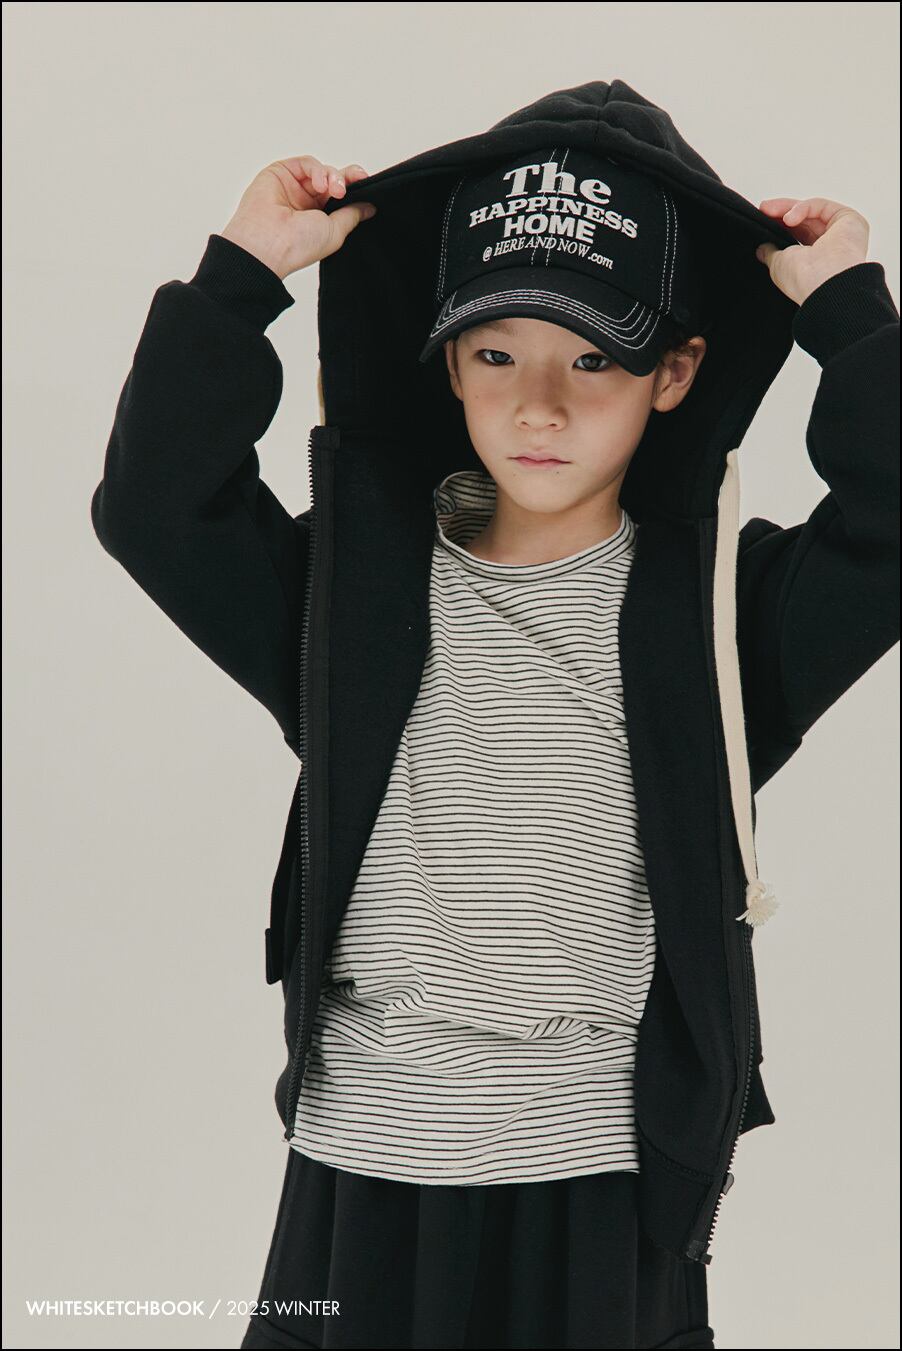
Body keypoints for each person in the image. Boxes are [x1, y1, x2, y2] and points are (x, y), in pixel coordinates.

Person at [90, 79, 900, 1350]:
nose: (540, 404)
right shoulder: (351, 598)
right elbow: (156, 505)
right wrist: (241, 273)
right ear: (447, 363)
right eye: (496, 353)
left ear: (675, 370)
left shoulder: (715, 621)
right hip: (362, 1154)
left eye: (595, 357)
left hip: (599, 1174)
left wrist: (850, 311)